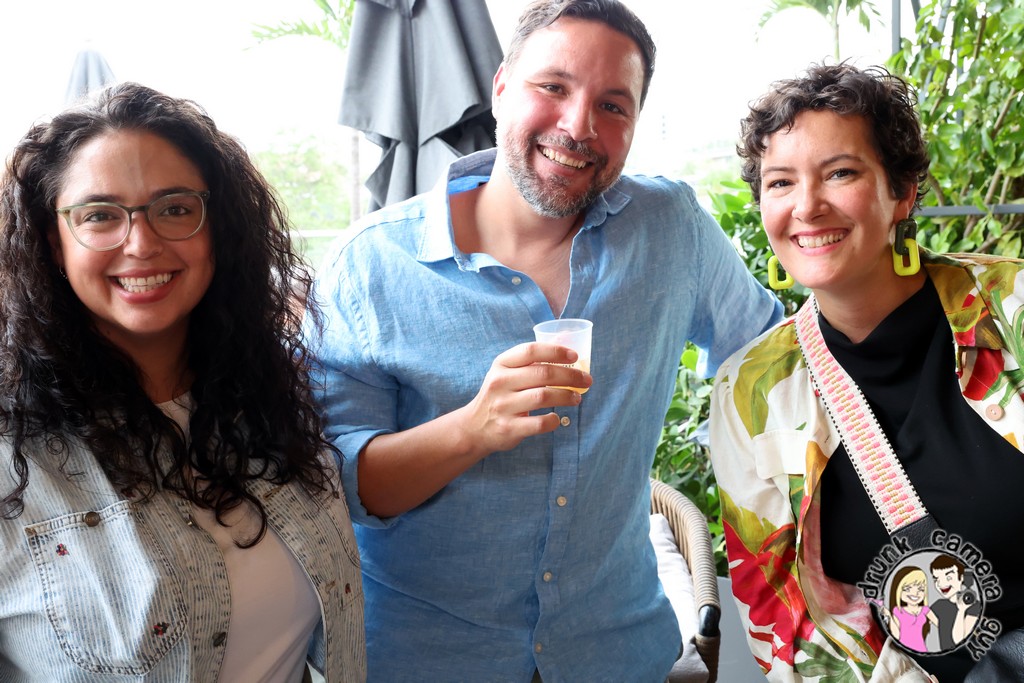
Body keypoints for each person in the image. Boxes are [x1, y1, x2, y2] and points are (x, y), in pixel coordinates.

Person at [307, 0, 783, 680]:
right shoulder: (370, 267)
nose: (579, 126)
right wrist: (470, 429)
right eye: (553, 86)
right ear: (501, 88)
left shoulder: (670, 229)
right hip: (424, 659)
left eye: (613, 105)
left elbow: (768, 361)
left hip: (615, 652)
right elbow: (338, 487)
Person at [0, 83, 366, 681]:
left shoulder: (269, 394)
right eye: (99, 215)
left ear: (217, 227)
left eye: (174, 209)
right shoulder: (11, 443)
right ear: (53, 243)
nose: (141, 244)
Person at [709, 62, 1024, 682]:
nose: (806, 206)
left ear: (901, 191)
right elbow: (780, 617)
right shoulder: (752, 390)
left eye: (840, 173)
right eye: (780, 182)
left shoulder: (1011, 311)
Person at [931, 555, 982, 650]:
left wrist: (961, 611)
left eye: (948, 578)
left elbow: (958, 640)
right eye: (936, 579)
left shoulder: (974, 606)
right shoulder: (939, 604)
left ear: (961, 578)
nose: (941, 584)